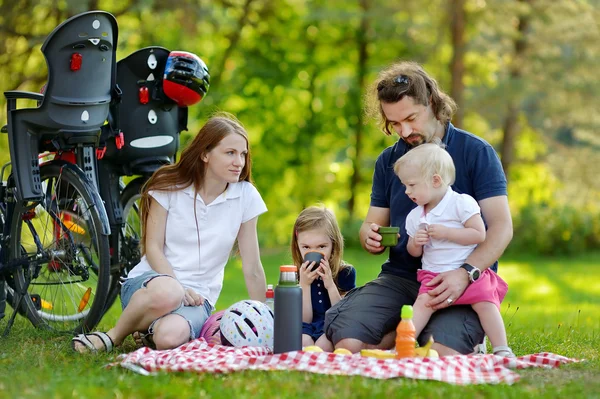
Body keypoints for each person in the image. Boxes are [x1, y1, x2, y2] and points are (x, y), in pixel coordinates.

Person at [324, 61, 513, 355]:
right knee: (348, 342)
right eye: (395, 123)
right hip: (400, 278)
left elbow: (501, 227)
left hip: (459, 280)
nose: (405, 131)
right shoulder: (389, 161)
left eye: (411, 118)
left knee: (439, 353)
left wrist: (465, 273)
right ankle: (403, 333)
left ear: (433, 103)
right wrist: (369, 236)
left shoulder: (476, 152)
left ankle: (443, 332)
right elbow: (370, 224)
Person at [72, 113, 268, 353]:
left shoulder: (245, 196)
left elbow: (253, 267)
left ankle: (149, 330)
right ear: (205, 154)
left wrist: (263, 319)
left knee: (169, 338)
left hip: (198, 298)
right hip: (151, 285)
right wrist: (178, 287)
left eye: (243, 154)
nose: (239, 161)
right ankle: (112, 337)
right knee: (169, 292)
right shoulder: (168, 185)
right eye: (230, 153)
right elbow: (152, 248)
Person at [395, 143, 514, 357]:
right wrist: (416, 243)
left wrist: (447, 233)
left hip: (466, 274)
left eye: (411, 185)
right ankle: (402, 347)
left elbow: (479, 234)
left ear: (436, 180)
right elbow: (414, 253)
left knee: (486, 304)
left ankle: (501, 348)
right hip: (434, 276)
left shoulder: (461, 203)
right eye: (405, 185)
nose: (407, 191)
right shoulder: (416, 216)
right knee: (422, 304)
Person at [291, 206, 356, 351]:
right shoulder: (293, 274)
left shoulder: (345, 272)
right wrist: (304, 285)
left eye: (322, 246)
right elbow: (303, 321)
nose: (314, 252)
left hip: (331, 325)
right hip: (304, 325)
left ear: (334, 245)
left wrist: (330, 285)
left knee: (323, 344)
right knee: (304, 342)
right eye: (306, 247)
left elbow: (343, 316)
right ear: (297, 246)